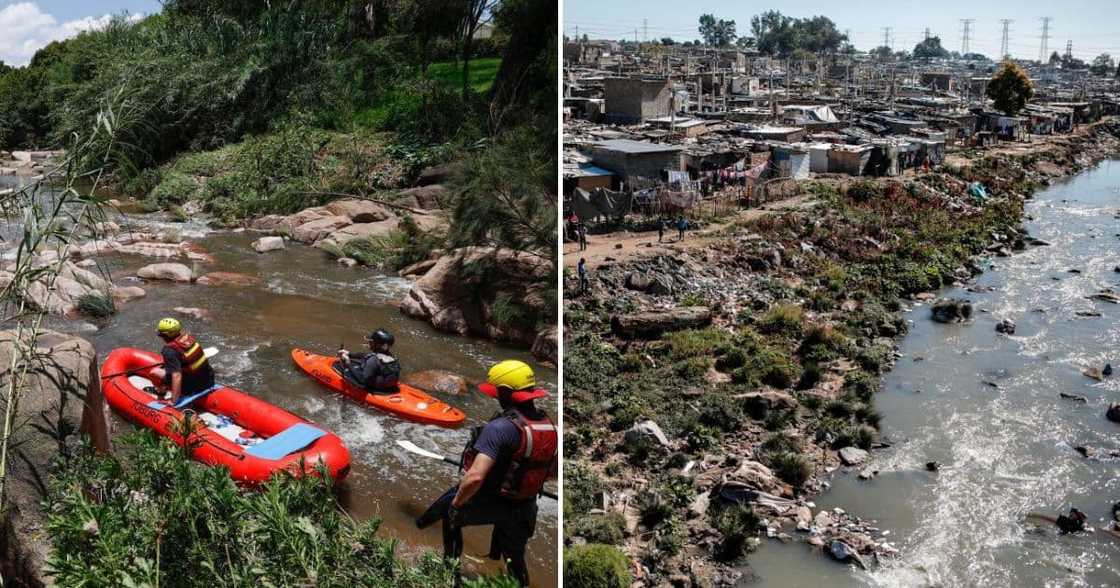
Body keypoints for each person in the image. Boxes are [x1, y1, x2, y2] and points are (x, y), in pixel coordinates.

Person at [416, 360, 557, 587]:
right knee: (515, 558)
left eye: (497, 392)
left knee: (451, 520)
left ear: (506, 393)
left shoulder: (500, 427)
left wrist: (457, 504)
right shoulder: (550, 426)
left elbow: (475, 477)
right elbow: (551, 473)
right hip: (525, 507)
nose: (494, 397)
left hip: (492, 499)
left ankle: (449, 577)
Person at [150, 318, 215, 405]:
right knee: (167, 368)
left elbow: (177, 376)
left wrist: (173, 400)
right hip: (209, 380)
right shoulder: (187, 338)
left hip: (192, 387)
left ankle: (161, 394)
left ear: (165, 335)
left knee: (154, 373)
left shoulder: (169, 351)